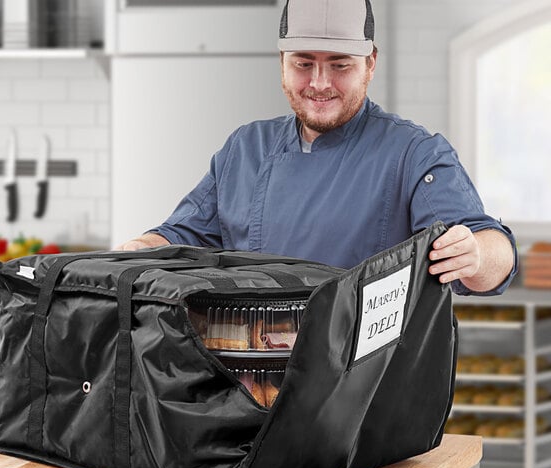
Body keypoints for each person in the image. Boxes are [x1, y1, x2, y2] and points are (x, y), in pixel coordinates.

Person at [117, 0, 516, 296]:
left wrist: (477, 256)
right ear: (282, 62)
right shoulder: (245, 148)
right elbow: (181, 236)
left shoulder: (415, 153)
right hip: (253, 383)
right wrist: (140, 249)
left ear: (370, 63)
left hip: (366, 391)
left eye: (340, 65)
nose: (320, 83)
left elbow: (493, 250)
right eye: (303, 63)